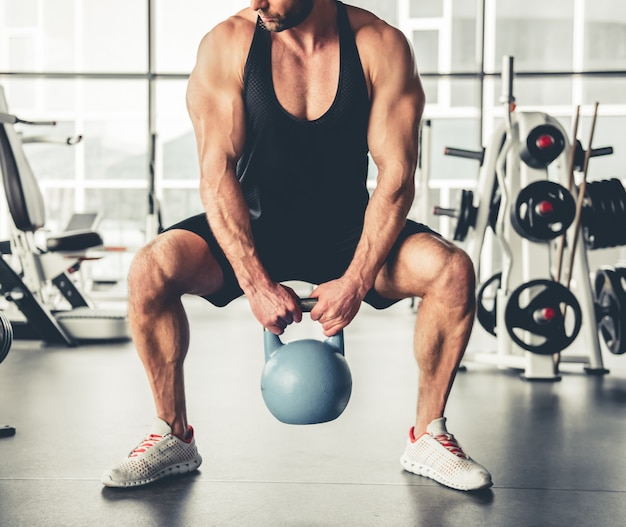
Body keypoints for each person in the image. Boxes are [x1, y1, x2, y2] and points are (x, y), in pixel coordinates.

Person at [101, 0, 492, 492]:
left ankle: (429, 435)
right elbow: (216, 174)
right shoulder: (229, 43)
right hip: (254, 226)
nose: (258, 2)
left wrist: (356, 280)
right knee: (150, 269)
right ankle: (172, 435)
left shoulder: (379, 45)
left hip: (352, 232)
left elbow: (396, 177)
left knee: (451, 271)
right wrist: (255, 282)